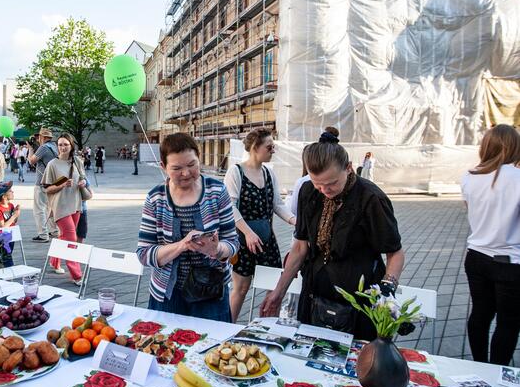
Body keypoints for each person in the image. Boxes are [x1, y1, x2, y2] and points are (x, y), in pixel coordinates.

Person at [259, 132, 404, 340]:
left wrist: (388, 289)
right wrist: (278, 292)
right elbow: (300, 248)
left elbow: (396, 253)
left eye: (332, 183)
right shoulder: (308, 192)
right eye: (318, 183)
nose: (324, 190)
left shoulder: (371, 198)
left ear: (349, 167)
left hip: (358, 304)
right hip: (313, 296)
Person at [137, 133, 239, 321]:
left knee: (213, 348)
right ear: (163, 167)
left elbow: (233, 243)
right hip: (167, 294)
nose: (186, 173)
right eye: (177, 168)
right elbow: (144, 253)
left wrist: (216, 249)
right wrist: (181, 245)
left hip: (212, 292)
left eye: (192, 165)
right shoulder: (156, 198)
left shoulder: (217, 191)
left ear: (199, 159)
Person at [461, 124, 520, 365]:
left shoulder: (469, 176)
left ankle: (479, 364)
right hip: (509, 261)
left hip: (476, 256)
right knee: (508, 322)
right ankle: (496, 374)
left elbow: (471, 211)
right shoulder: (517, 178)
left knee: (480, 314)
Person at [225, 128, 296, 322]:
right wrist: (248, 233)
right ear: (255, 147)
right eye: (269, 146)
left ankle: (264, 329)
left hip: (267, 239)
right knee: (241, 289)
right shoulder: (236, 171)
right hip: (243, 240)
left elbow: (278, 205)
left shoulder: (268, 173)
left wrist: (294, 221)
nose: (273, 150)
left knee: (274, 288)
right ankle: (228, 328)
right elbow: (230, 207)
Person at [41, 133, 90, 285]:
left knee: (65, 237)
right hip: (60, 206)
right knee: (71, 239)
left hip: (75, 204)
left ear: (71, 146)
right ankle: (77, 275)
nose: (62, 147)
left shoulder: (77, 161)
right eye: (60, 144)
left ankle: (54, 262)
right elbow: (47, 189)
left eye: (65, 145)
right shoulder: (52, 165)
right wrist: (62, 185)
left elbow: (82, 177)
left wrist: (82, 182)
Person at [28, 128, 58, 244]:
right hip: (53, 182)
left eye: (38, 137)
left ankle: (43, 234)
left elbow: (32, 161)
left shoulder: (43, 147)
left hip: (42, 182)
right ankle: (54, 231)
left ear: (43, 137)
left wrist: (31, 149)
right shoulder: (54, 147)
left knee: (39, 209)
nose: (37, 139)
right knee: (50, 208)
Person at [0, 181, 20, 268]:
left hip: (11, 235)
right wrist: (14, 215)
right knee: (7, 256)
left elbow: (13, 222)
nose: (12, 192)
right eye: (10, 191)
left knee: (7, 253)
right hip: (2, 238)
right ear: (4, 196)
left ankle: (1, 267)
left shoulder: (10, 205)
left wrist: (16, 213)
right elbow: (2, 227)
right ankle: (10, 271)